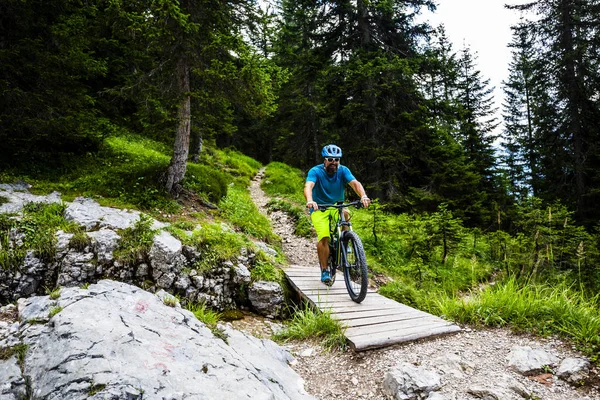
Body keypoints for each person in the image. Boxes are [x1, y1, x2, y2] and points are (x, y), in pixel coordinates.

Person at [304, 144, 370, 285]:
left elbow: (355, 183)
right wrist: (310, 200)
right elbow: (308, 186)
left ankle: (346, 241)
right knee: (324, 237)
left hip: (336, 205)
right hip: (319, 207)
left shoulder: (343, 170)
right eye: (330, 159)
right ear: (325, 160)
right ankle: (324, 270)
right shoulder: (315, 171)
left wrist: (363, 196)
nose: (334, 162)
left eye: (337, 159)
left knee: (345, 214)